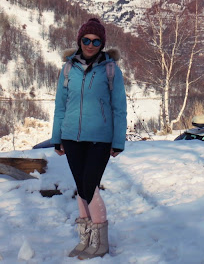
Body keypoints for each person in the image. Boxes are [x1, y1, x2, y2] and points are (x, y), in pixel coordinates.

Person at [50, 17, 128, 259]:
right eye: (86, 39)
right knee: (82, 188)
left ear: (102, 43)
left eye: (96, 41)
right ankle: (85, 239)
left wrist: (118, 141)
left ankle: (100, 242)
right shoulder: (67, 69)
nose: (90, 44)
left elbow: (119, 108)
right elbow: (60, 106)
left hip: (100, 138)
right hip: (72, 137)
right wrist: (57, 137)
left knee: (89, 187)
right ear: (79, 40)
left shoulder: (110, 69)